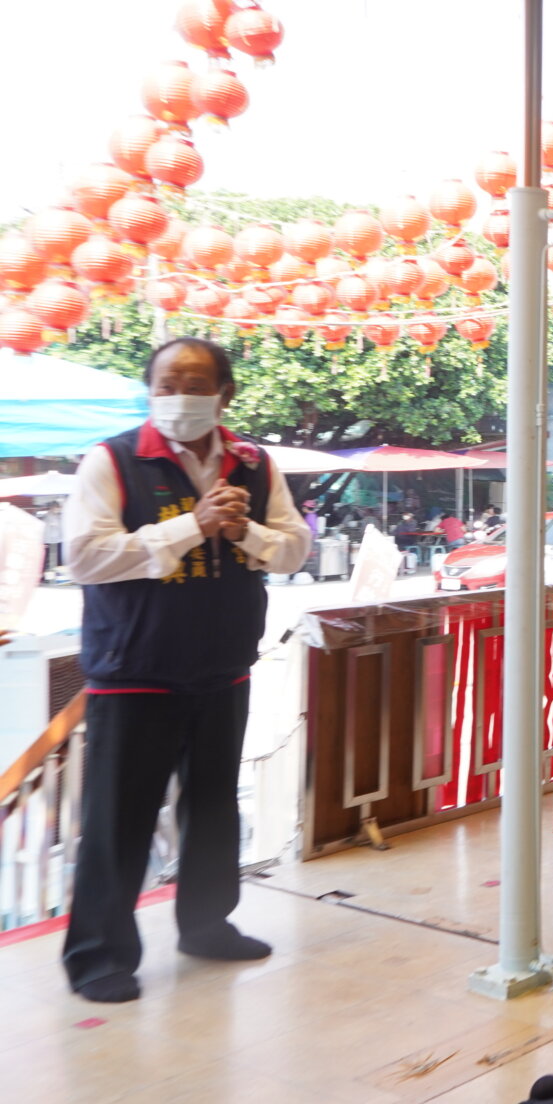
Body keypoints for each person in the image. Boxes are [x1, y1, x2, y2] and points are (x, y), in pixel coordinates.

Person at [61, 338, 311, 1004]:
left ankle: (207, 925)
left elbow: (292, 549)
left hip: (222, 666)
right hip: (133, 670)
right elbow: (85, 558)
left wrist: (243, 534)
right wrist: (190, 528)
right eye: (166, 383)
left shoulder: (255, 463)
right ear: (149, 391)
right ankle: (98, 956)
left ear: (225, 394)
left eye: (195, 383)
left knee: (212, 807)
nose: (179, 396)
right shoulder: (112, 460)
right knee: (119, 820)